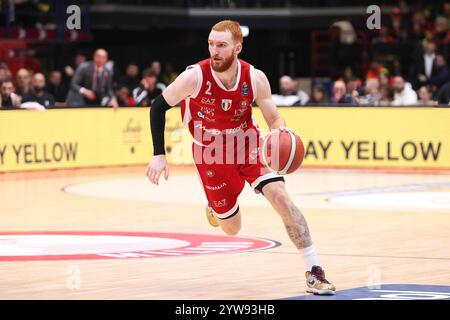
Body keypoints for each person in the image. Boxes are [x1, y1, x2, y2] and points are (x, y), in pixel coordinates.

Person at [145, 20, 336, 295]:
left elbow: (273, 117)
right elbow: (157, 107)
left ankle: (315, 272)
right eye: (211, 44)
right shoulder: (193, 77)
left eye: (221, 45)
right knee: (232, 229)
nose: (214, 51)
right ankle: (214, 208)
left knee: (281, 197)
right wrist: (158, 154)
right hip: (210, 154)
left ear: (237, 47)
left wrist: (280, 131)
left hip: (248, 144)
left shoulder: (254, 78)